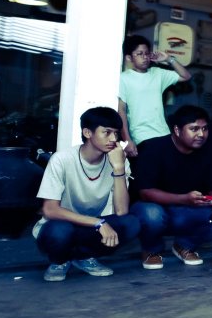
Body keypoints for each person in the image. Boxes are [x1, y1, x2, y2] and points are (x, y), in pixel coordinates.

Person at [33, 107, 140, 282]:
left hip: (90, 227)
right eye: (107, 132)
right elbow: (50, 210)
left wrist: (119, 168)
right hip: (60, 224)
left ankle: (83, 257)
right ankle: (59, 261)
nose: (114, 139)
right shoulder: (62, 159)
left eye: (116, 133)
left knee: (131, 223)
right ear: (87, 133)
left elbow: (121, 211)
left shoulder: (118, 160)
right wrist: (98, 223)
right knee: (60, 231)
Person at [131, 105, 212, 269]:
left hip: (186, 211)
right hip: (153, 209)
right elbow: (145, 193)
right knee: (152, 214)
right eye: (194, 129)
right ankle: (151, 250)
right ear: (177, 130)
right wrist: (184, 199)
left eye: (204, 129)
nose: (201, 134)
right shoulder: (152, 148)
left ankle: (185, 245)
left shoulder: (211, 151)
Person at [118, 35, 191, 158]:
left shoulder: (157, 73)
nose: (145, 57)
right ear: (129, 58)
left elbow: (186, 76)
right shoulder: (124, 78)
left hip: (164, 134)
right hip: (141, 137)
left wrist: (168, 59)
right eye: (139, 54)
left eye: (147, 53)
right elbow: (121, 110)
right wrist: (127, 140)